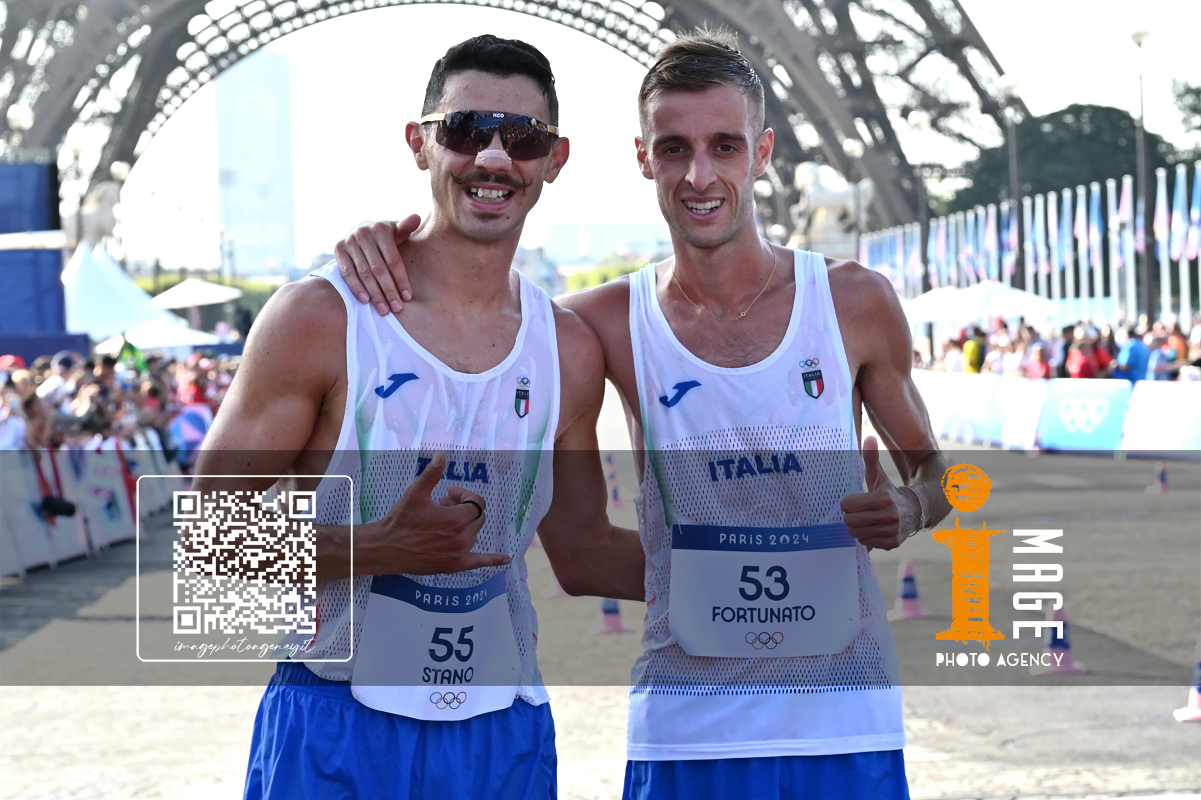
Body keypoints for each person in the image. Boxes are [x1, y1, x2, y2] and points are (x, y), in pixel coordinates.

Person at [337, 29, 952, 800]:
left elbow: (939, 477)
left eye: (724, 146)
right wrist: (383, 248)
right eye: (673, 149)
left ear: (761, 154)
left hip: (848, 721)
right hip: (683, 729)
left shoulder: (854, 301)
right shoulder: (594, 326)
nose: (699, 175)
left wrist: (909, 507)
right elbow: (581, 558)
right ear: (642, 158)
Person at [196, 36, 643, 799]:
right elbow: (203, 539)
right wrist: (374, 548)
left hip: (498, 732)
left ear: (555, 159)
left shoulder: (568, 350)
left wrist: (798, 560)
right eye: (466, 130)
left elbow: (585, 555)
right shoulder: (319, 318)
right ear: (419, 143)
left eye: (522, 137)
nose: (493, 157)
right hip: (335, 718)